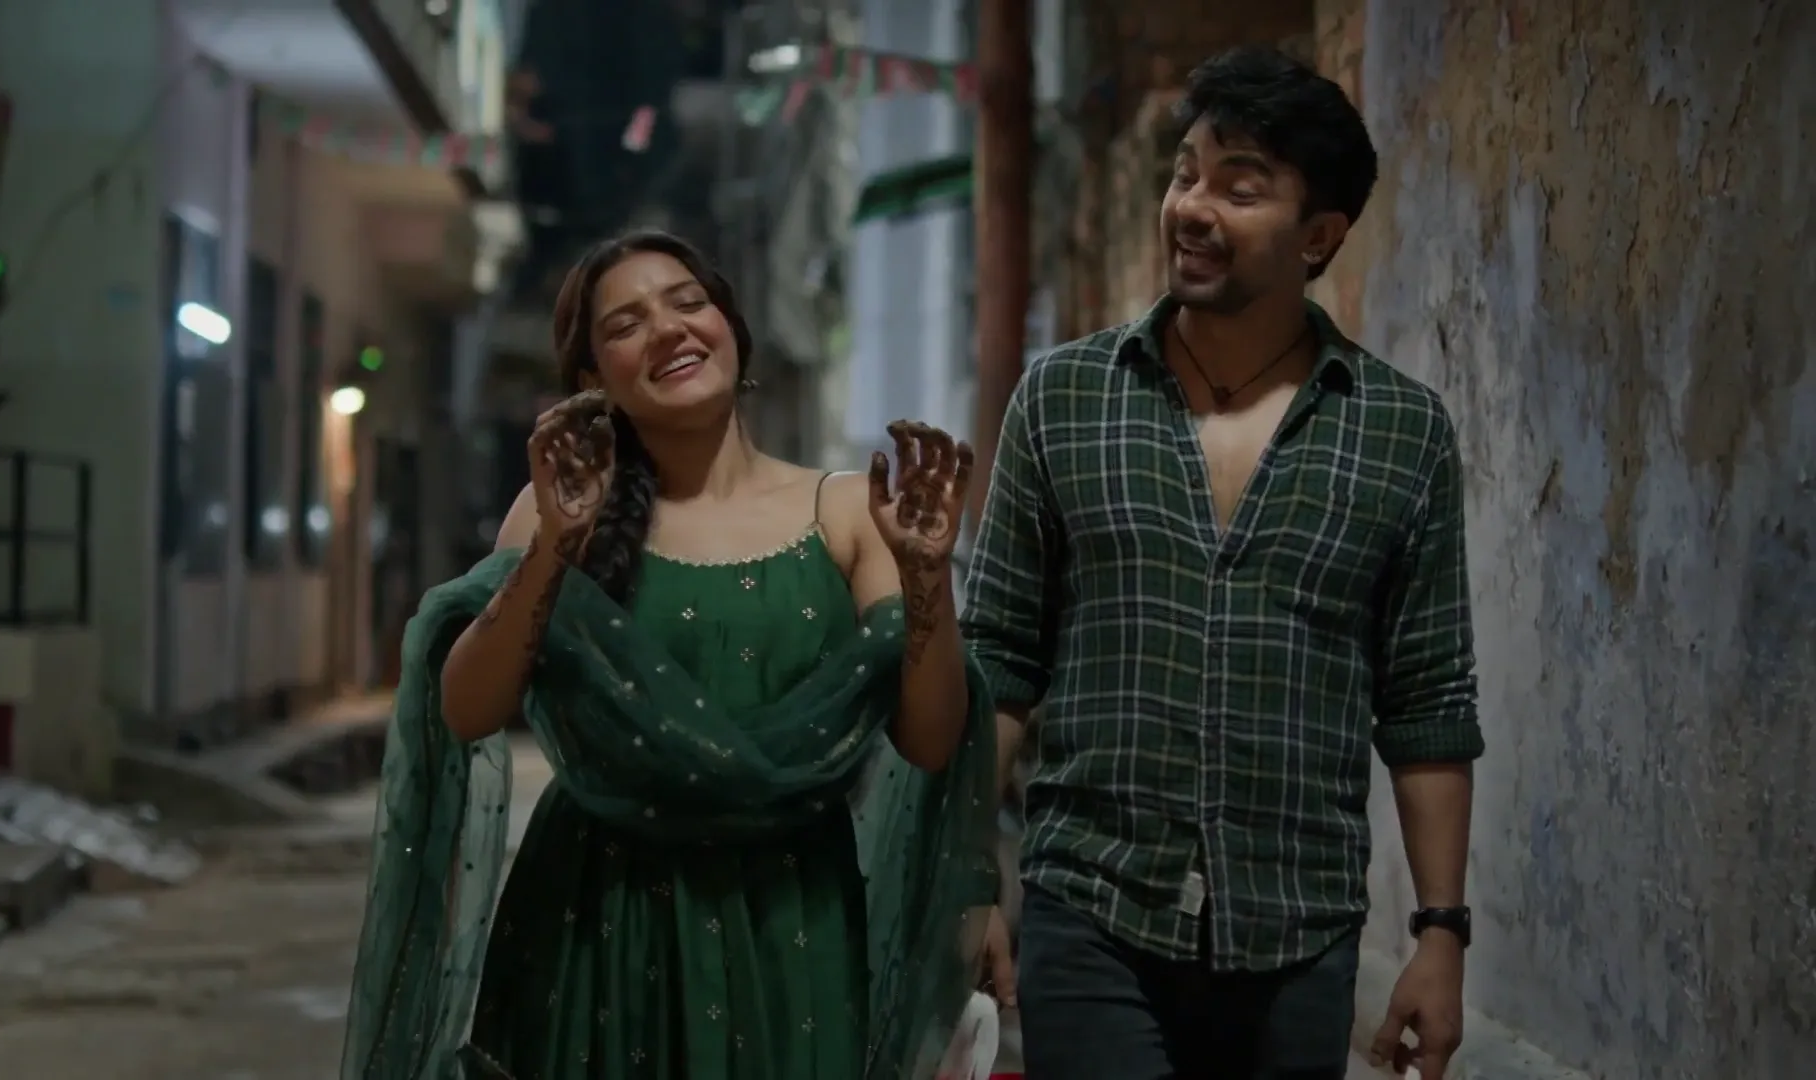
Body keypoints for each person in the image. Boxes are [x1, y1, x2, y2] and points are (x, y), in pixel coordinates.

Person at [340, 230, 1002, 1079]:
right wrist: (552, 549)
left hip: (792, 920)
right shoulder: (558, 513)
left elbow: (933, 740)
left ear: (731, 328)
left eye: (689, 303)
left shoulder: (847, 513)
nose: (668, 330)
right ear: (593, 379)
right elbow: (465, 710)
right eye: (626, 324)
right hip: (597, 917)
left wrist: (926, 576)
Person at [962, 46, 1484, 1080]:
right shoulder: (1065, 400)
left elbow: (1427, 699)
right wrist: (969, 881)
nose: (1192, 208)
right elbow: (1002, 660)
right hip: (1092, 908)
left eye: (1239, 190)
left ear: (1319, 236)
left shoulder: (1400, 432)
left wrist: (1441, 934)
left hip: (1299, 930)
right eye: (1185, 174)